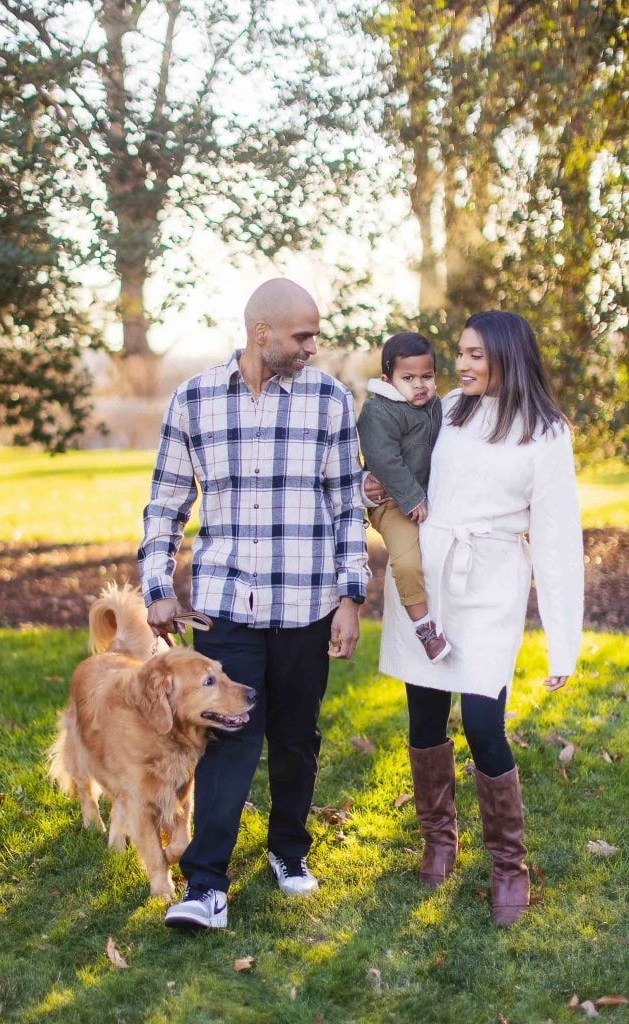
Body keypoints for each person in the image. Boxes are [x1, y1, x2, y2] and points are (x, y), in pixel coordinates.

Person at [139, 278, 370, 930]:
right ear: (261, 333)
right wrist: (157, 588)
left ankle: (287, 852)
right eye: (302, 335)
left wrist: (350, 595)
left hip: (306, 604)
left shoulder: (327, 399)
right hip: (225, 605)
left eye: (313, 336)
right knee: (224, 740)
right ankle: (205, 885)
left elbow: (345, 506)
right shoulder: (195, 399)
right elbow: (165, 503)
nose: (312, 347)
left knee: (295, 739)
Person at [372, 310, 583, 926]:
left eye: (474, 356)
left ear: (506, 358)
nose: (460, 365)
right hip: (431, 574)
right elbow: (402, 460)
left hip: (489, 581)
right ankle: (439, 840)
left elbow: (557, 539)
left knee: (484, 721)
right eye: (459, 354)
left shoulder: (546, 433)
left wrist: (563, 644)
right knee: (425, 714)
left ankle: (508, 866)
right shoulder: (448, 411)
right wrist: (373, 486)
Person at [357, 332, 449, 662]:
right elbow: (383, 459)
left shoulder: (435, 406)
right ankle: (424, 628)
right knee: (407, 561)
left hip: (422, 498)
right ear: (388, 379)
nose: (420, 385)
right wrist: (411, 498)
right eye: (408, 378)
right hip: (392, 504)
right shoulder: (378, 411)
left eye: (427, 376)